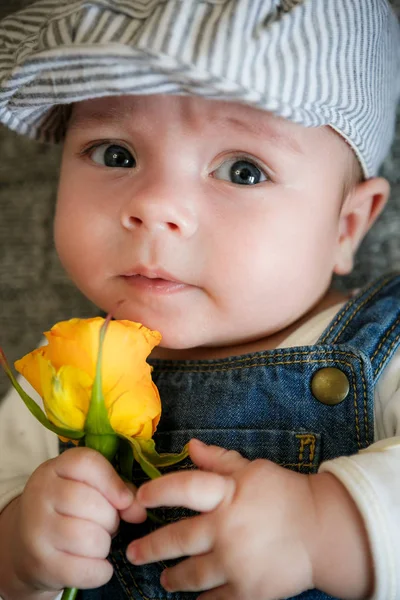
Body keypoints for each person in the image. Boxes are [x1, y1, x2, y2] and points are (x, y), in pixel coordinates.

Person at [0, 0, 399, 599]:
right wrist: (18, 551)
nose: (155, 205)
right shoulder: (60, 373)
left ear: (346, 225)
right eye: (116, 154)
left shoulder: (385, 351)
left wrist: (321, 529)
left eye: (242, 170)